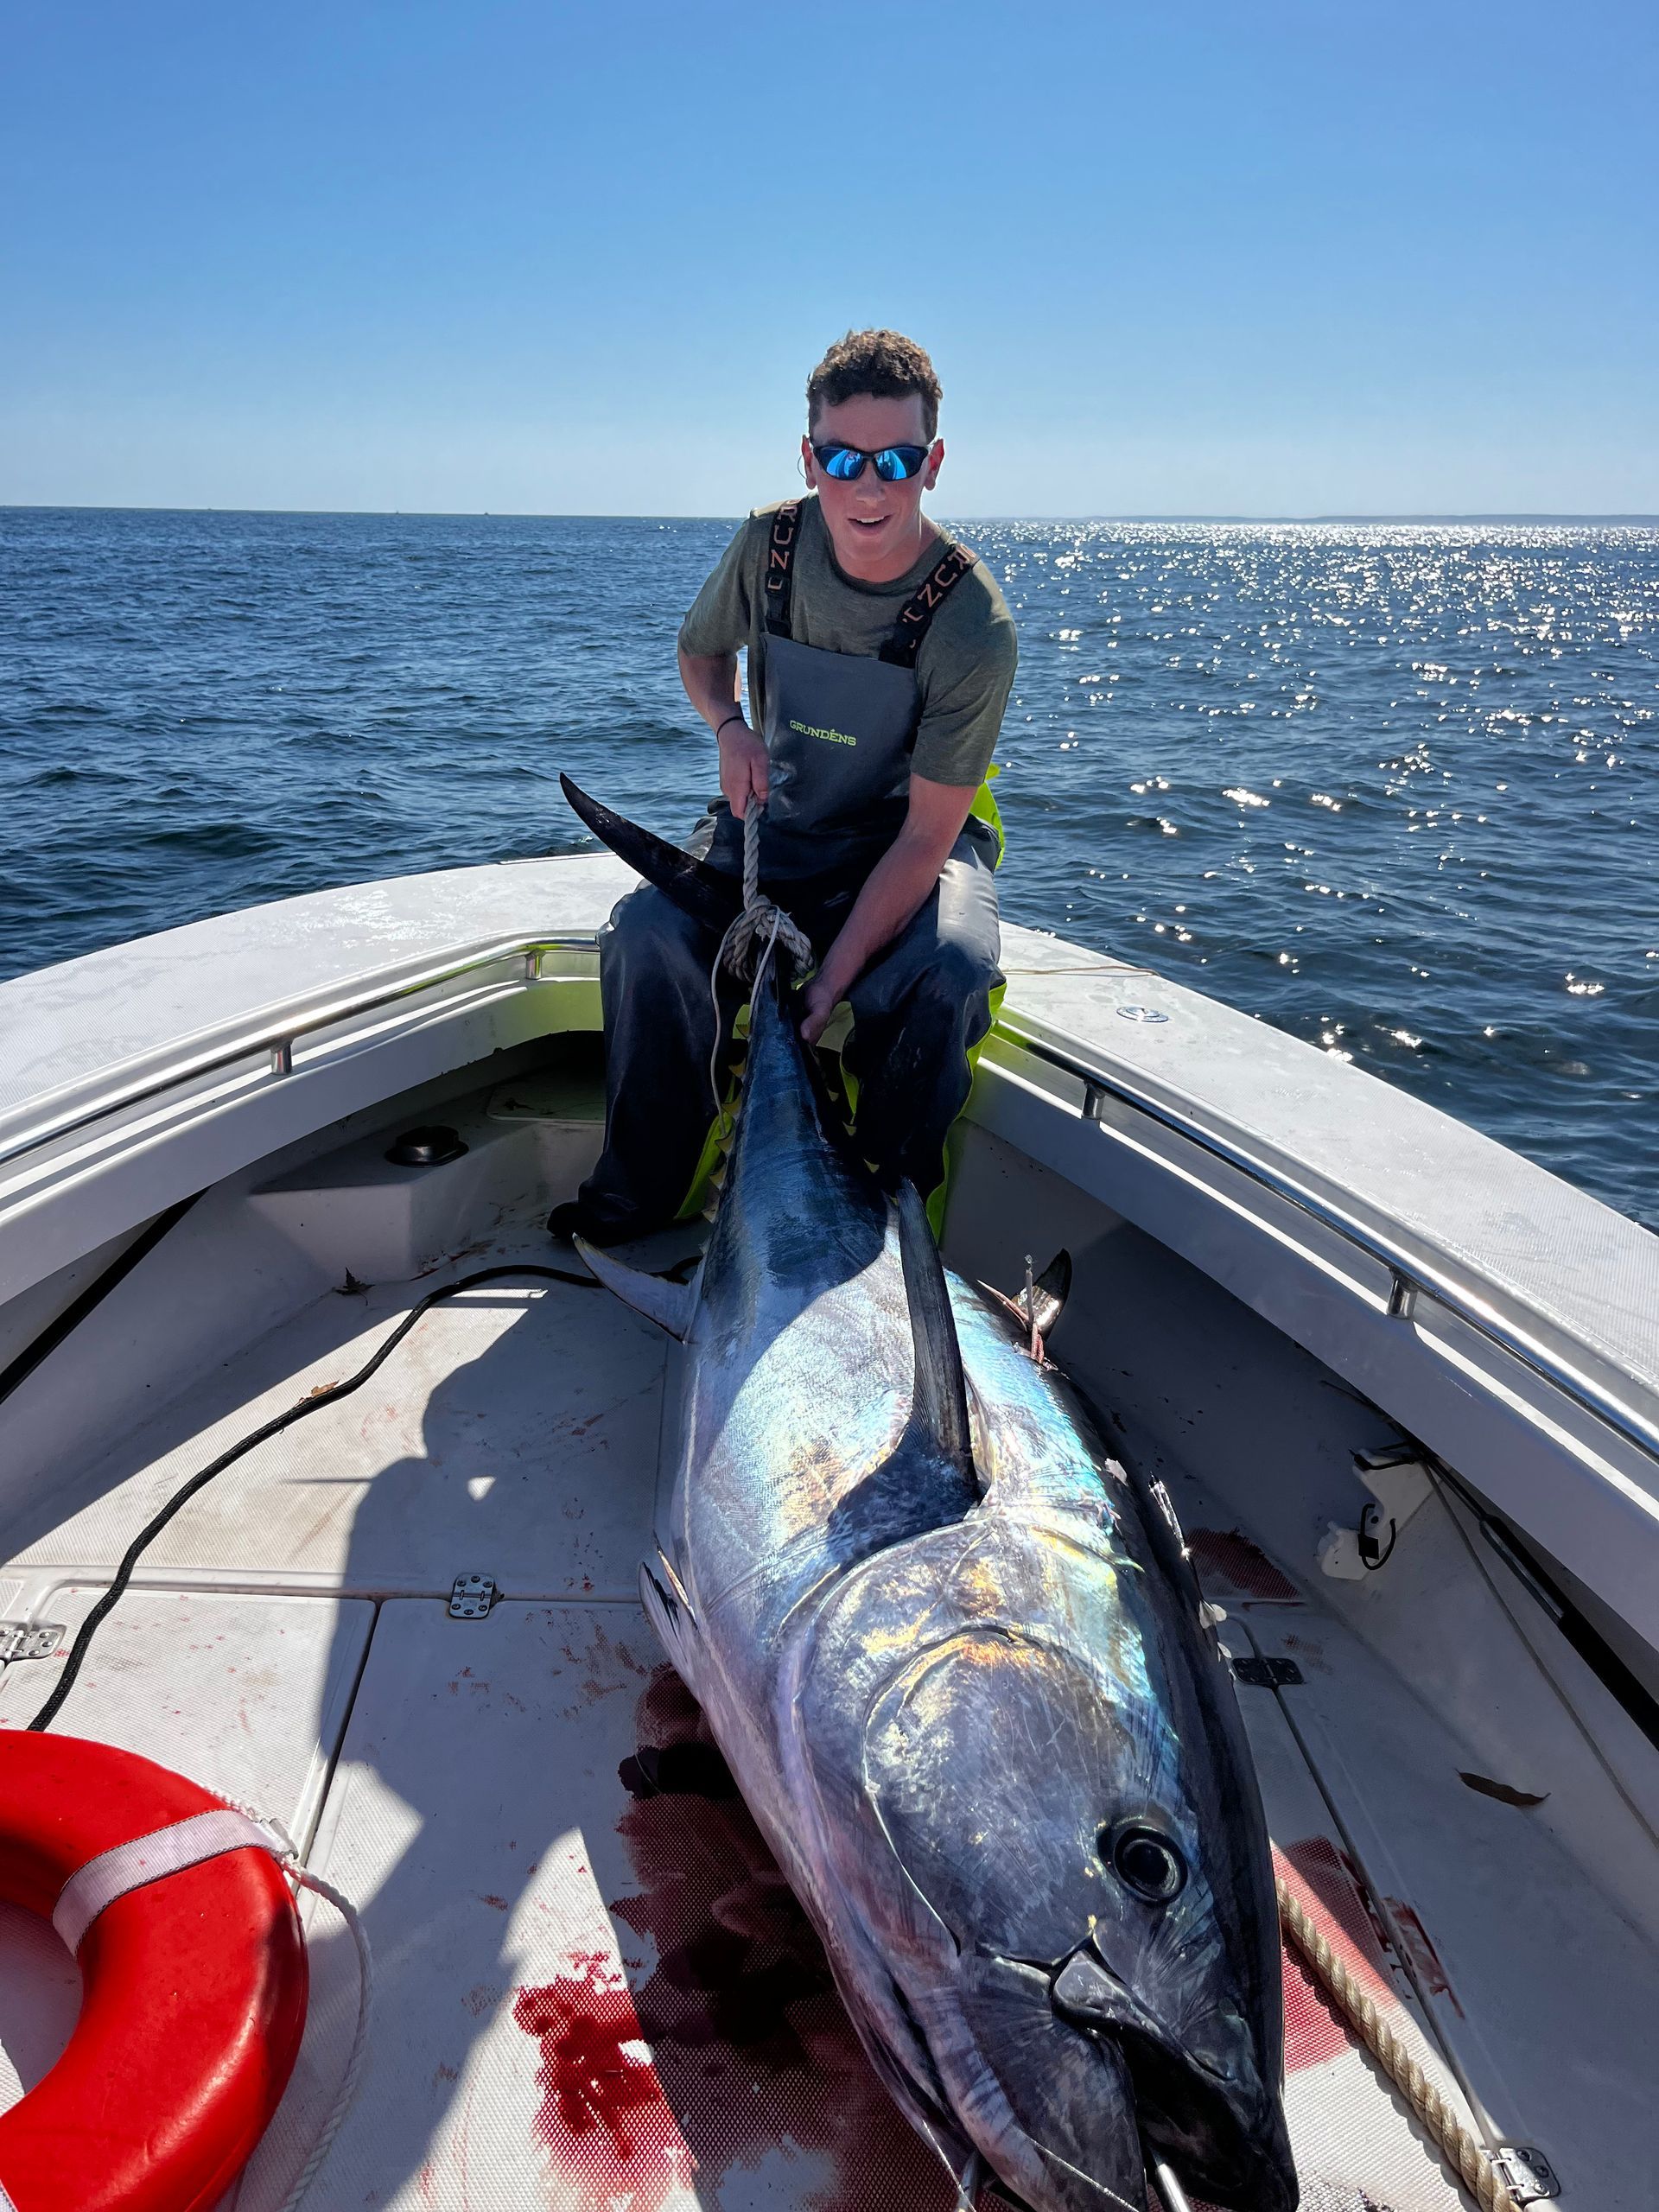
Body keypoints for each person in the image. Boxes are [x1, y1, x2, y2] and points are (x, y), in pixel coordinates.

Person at [550, 327, 1018, 1245]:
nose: (870, 486)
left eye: (898, 459)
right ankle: (650, 1190)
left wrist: (833, 976)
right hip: (781, 825)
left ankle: (885, 1222)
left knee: (951, 968)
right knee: (647, 934)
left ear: (935, 465)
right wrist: (729, 725)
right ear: (809, 457)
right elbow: (699, 652)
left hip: (904, 842)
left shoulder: (973, 624)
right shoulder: (768, 546)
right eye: (843, 458)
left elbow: (927, 839)